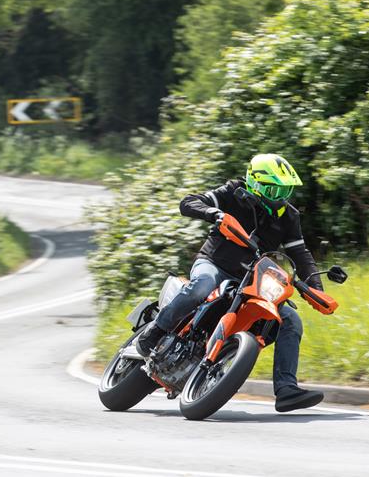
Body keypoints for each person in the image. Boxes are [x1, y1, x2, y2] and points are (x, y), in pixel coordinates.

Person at [136, 153, 326, 412]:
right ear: (255, 183)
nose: (280, 196)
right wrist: (215, 214)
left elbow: (301, 255)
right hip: (215, 264)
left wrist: (316, 288)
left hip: (253, 280)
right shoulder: (233, 191)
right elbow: (189, 202)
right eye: (274, 189)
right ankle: (155, 331)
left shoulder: (288, 216)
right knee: (203, 285)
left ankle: (286, 389)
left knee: (291, 320)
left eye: (286, 190)